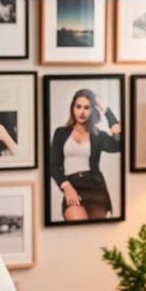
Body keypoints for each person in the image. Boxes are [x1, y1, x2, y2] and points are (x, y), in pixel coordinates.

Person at [50, 89, 121, 221]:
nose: (82, 112)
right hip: (72, 187)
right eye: (78, 107)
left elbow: (118, 144)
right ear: (73, 108)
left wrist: (105, 109)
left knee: (97, 234)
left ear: (92, 110)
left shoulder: (97, 135)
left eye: (87, 108)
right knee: (78, 225)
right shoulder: (61, 133)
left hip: (96, 189)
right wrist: (66, 186)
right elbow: (53, 165)